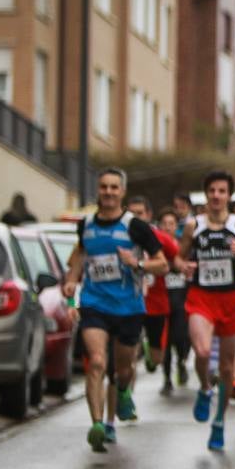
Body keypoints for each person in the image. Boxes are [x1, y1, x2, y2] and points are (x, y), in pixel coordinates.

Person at [62, 168, 167, 452]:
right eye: (103, 187)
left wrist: (138, 264)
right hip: (95, 304)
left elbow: (163, 264)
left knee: (123, 369)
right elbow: (78, 258)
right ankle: (97, 424)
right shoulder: (86, 225)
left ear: (121, 192)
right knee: (96, 362)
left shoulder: (135, 227)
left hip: (129, 307)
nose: (108, 192)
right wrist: (72, 287)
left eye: (113, 188)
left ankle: (122, 391)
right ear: (98, 190)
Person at [181, 171, 235, 451]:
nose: (216, 195)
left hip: (230, 298)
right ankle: (204, 388)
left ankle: (219, 421)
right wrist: (182, 265)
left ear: (229, 195)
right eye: (212, 190)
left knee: (226, 366)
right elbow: (178, 254)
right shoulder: (193, 225)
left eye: (222, 191)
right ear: (206, 194)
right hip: (201, 297)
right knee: (201, 351)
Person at [127, 197, 179, 392]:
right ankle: (127, 398)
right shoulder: (122, 237)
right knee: (129, 355)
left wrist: (183, 268)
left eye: (140, 213)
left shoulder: (160, 238)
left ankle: (151, 351)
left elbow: (176, 258)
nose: (136, 218)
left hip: (157, 304)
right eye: (132, 214)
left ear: (148, 215)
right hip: (131, 302)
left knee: (157, 359)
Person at [156, 208, 191, 392]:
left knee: (181, 336)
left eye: (171, 224)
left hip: (181, 296)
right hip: (162, 296)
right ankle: (167, 379)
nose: (168, 227)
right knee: (166, 341)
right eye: (164, 224)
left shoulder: (181, 247)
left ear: (177, 227)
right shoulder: (154, 248)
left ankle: (182, 361)